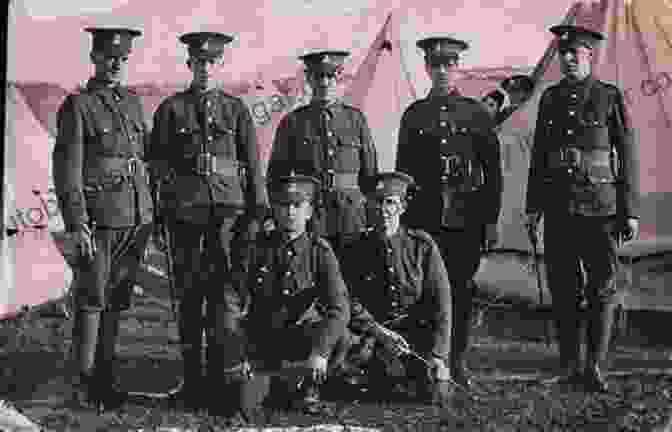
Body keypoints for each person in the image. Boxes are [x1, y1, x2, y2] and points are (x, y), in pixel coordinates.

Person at [147, 31, 268, 411]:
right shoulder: (171, 110)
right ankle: (191, 382)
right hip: (185, 218)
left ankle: (221, 381)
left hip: (228, 219)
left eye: (212, 63)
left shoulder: (236, 110)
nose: (205, 69)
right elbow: (157, 168)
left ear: (220, 66)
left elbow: (253, 166)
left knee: (224, 299)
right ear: (190, 65)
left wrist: (257, 215)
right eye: (199, 63)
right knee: (188, 299)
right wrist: (160, 216)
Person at [525, 25, 640, 393]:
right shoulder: (551, 99)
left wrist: (630, 210)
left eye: (576, 53)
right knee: (563, 287)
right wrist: (533, 207)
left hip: (601, 209)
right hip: (560, 207)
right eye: (564, 54)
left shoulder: (608, 97)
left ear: (590, 56)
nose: (569, 59)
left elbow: (628, 156)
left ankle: (595, 366)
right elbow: (539, 157)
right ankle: (570, 366)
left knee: (602, 287)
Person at [52, 27, 154, 410]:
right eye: (109, 57)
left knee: (118, 300)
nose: (116, 65)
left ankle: (107, 381)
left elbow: (142, 161)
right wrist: (77, 223)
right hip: (100, 220)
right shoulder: (79, 106)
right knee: (92, 300)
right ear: (94, 58)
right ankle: (84, 386)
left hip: (134, 216)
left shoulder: (132, 103)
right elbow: (67, 171)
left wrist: (149, 212)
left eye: (122, 59)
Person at [395, 37, 503, 390]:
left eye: (449, 64)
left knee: (461, 290)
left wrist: (489, 221)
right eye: (436, 65)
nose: (443, 71)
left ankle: (456, 361)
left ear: (458, 68)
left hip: (466, 219)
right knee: (423, 291)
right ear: (427, 68)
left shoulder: (476, 114)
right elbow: (403, 176)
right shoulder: (414, 115)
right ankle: (425, 361)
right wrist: (404, 225)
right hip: (425, 220)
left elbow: (493, 175)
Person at [221, 173, 351, 414]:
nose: (290, 212)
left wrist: (321, 352)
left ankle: (308, 391)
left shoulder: (320, 251)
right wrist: (236, 352)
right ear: (274, 209)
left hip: (301, 341)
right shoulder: (255, 248)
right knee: (243, 404)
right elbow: (231, 299)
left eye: (297, 205)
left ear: (309, 211)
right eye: (283, 205)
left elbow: (339, 308)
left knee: (340, 337)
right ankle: (278, 385)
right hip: (262, 339)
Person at [341, 171, 454, 403]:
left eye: (390, 202)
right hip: (374, 334)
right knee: (358, 379)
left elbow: (441, 304)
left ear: (402, 207)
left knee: (436, 393)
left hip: (413, 335)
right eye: (377, 202)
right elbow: (348, 300)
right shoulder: (356, 248)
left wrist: (438, 355)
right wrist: (378, 332)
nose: (383, 209)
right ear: (368, 206)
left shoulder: (422, 246)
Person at [267, 50, 378, 259]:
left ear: (340, 77)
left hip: (351, 217)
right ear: (308, 79)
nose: (325, 83)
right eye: (318, 76)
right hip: (310, 217)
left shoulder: (356, 120)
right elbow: (276, 178)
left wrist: (371, 218)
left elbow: (370, 176)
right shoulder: (293, 123)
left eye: (331, 76)